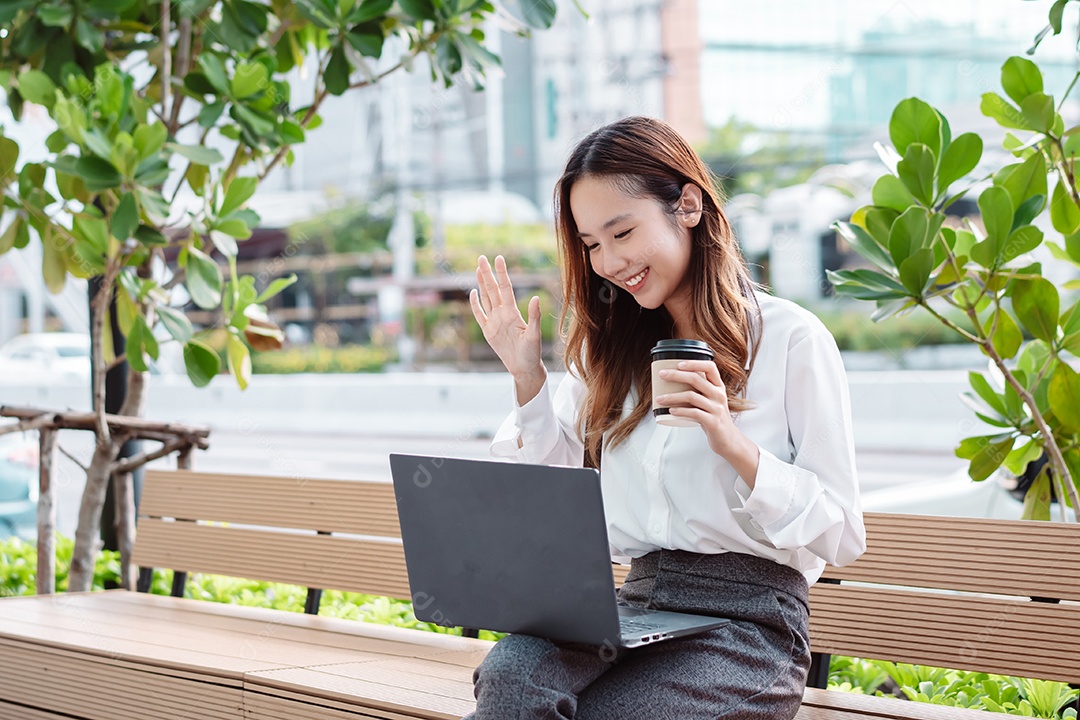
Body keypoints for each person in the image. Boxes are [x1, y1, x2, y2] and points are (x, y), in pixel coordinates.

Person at [464, 116, 865, 720]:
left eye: (622, 231)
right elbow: (545, 490)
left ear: (688, 205)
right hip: (634, 604)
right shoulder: (612, 352)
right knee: (512, 675)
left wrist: (732, 443)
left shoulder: (789, 339)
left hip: (750, 621)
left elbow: (842, 533)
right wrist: (528, 380)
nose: (608, 262)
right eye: (592, 244)